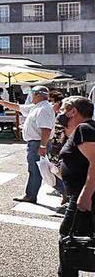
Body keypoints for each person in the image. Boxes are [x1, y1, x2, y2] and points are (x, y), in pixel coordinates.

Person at [0, 85, 55, 204]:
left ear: (37, 95)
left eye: (32, 94)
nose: (30, 96)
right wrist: (2, 102)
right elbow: (18, 107)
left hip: (37, 143)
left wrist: (42, 145)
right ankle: (62, 191)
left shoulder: (43, 109)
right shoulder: (36, 107)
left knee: (38, 170)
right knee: (43, 169)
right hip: (36, 143)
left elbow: (46, 129)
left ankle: (31, 195)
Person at [56, 96, 95, 277]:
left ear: (73, 111)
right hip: (83, 192)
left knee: (68, 239)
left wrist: (85, 195)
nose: (61, 114)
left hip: (85, 195)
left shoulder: (84, 129)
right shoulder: (83, 129)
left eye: (64, 110)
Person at [47, 91, 68, 205]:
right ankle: (65, 192)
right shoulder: (56, 114)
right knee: (54, 167)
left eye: (51, 101)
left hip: (59, 145)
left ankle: (66, 192)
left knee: (56, 168)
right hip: (55, 144)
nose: (50, 103)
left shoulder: (61, 115)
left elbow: (60, 132)